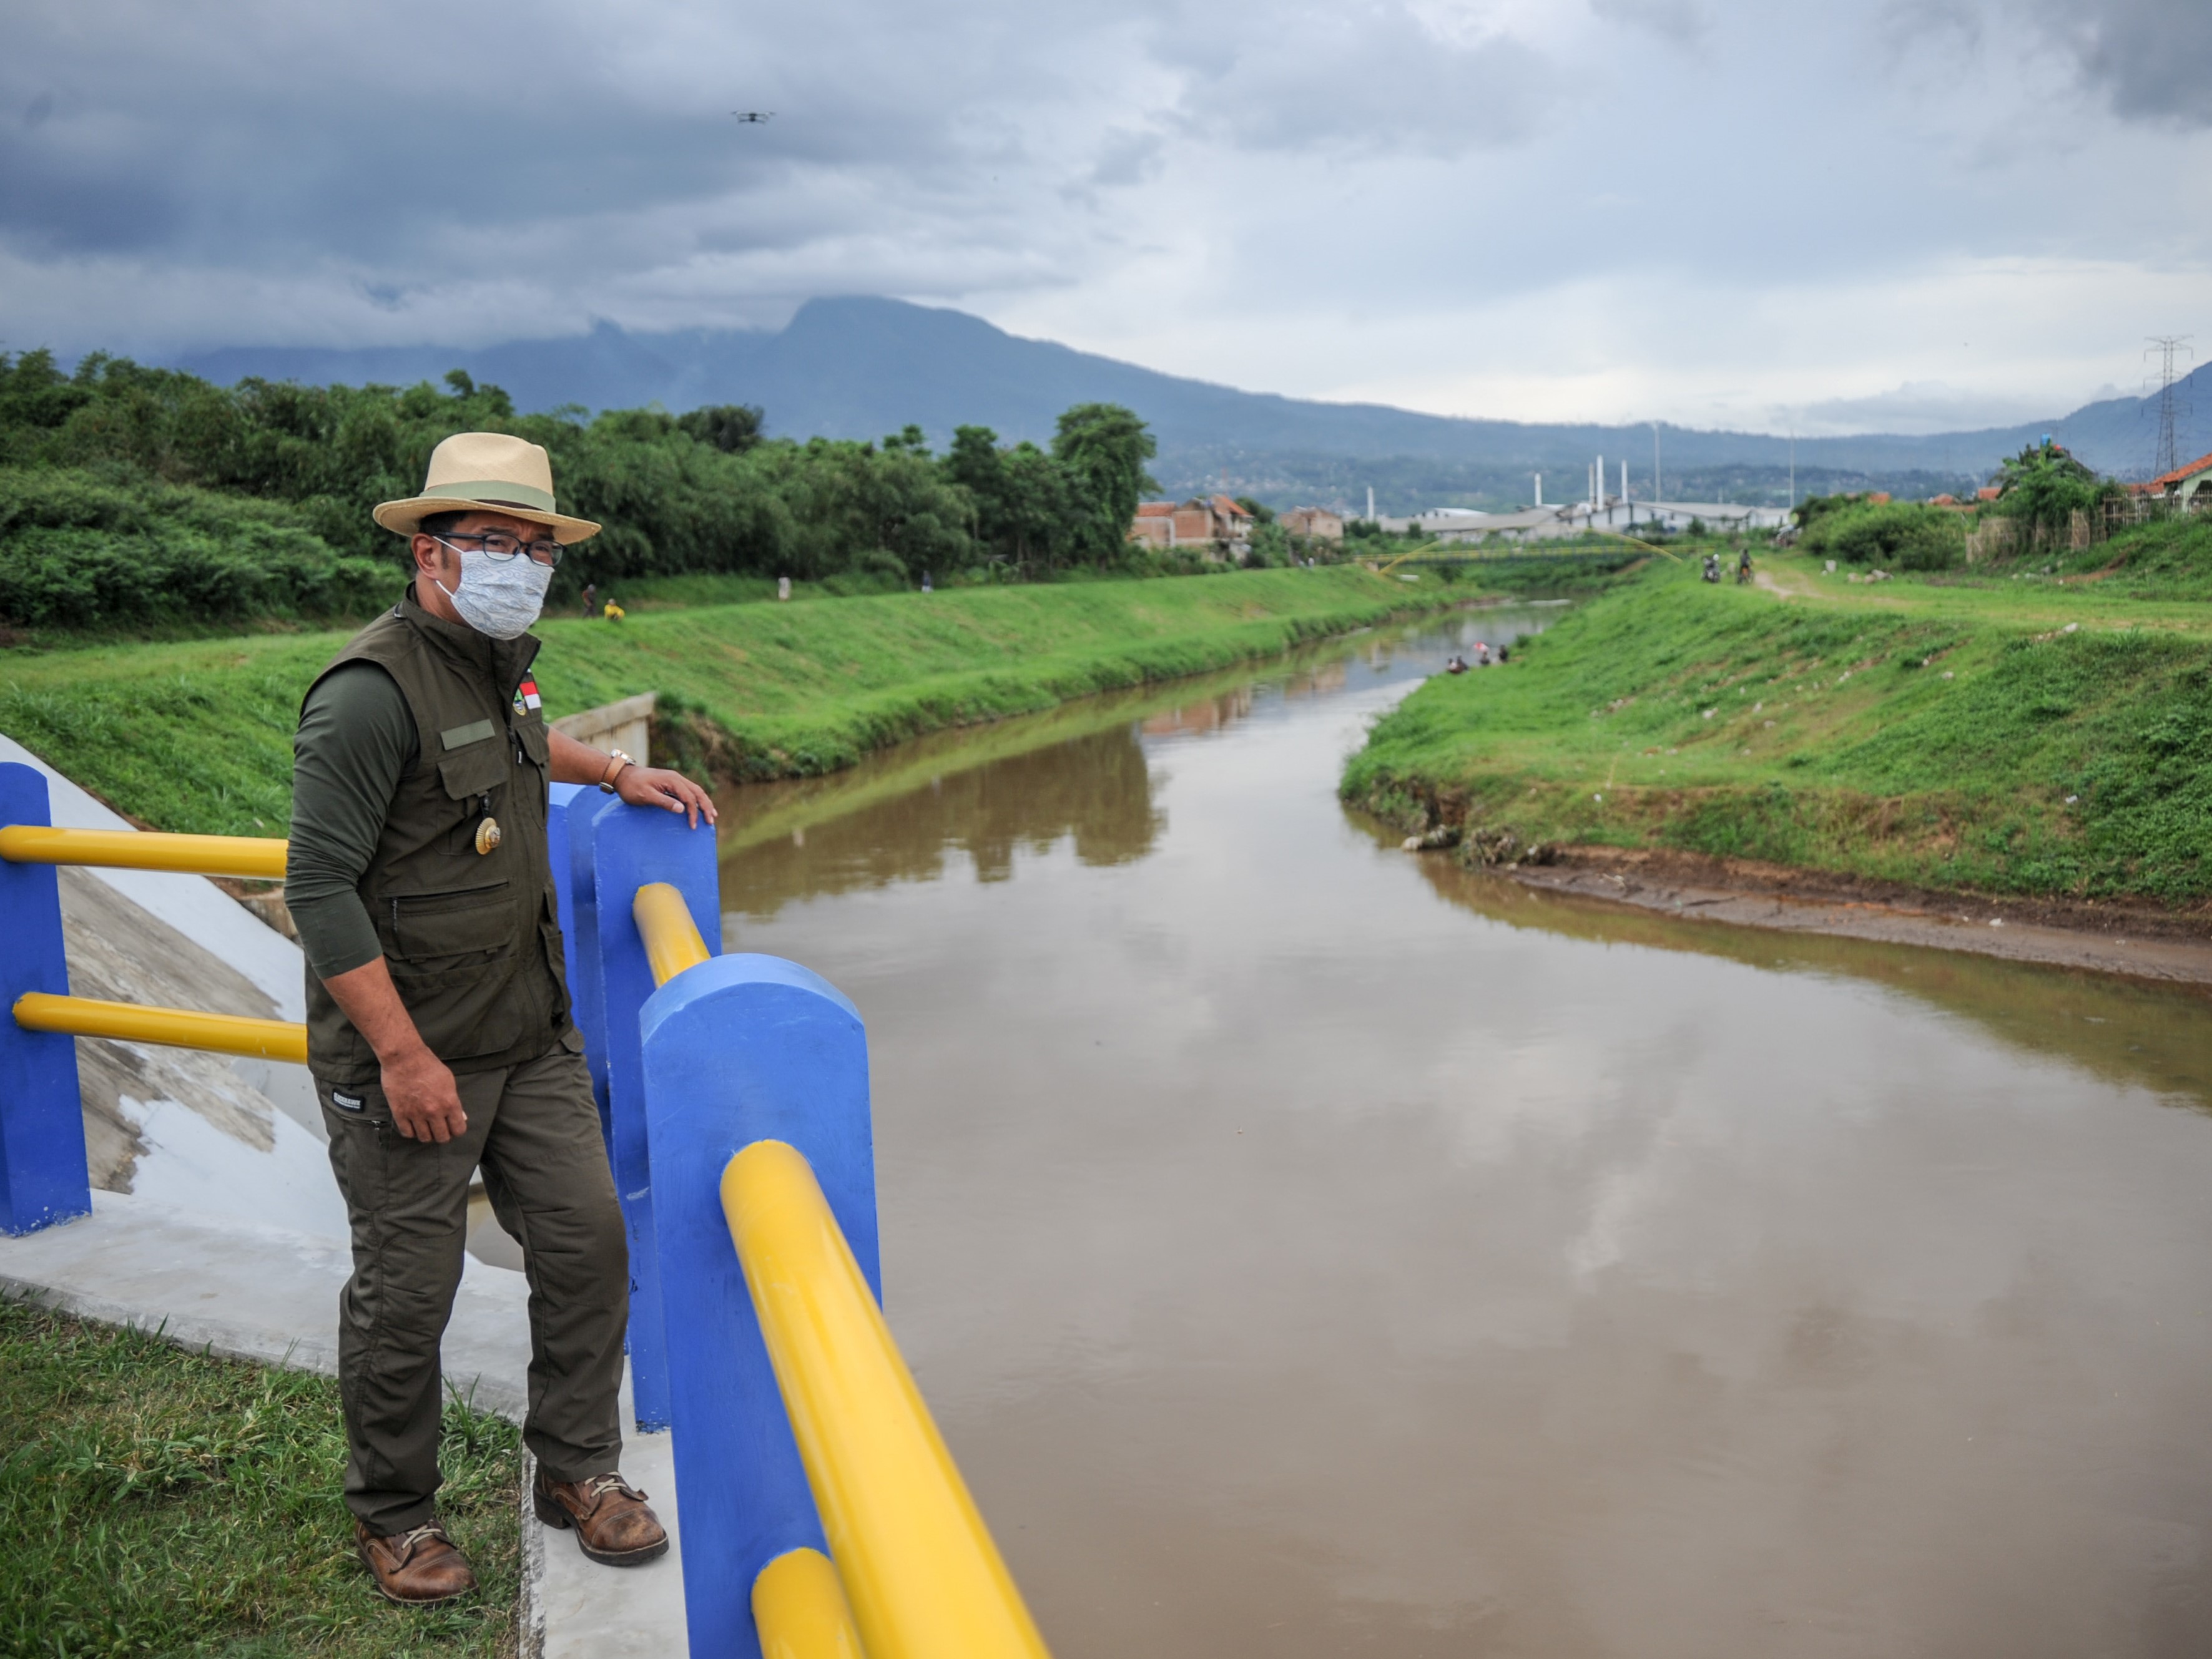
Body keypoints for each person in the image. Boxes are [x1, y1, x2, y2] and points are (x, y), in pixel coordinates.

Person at [285, 432, 718, 1606]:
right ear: (432, 553)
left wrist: (617, 773)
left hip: (531, 1036)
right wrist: (402, 1052)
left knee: (588, 1244)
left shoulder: (502, 662)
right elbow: (315, 887)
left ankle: (575, 1470)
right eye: (494, 543)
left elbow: (522, 750)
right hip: (413, 1058)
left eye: (536, 546)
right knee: (407, 1294)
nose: (520, 563)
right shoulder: (368, 693)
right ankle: (396, 1515)